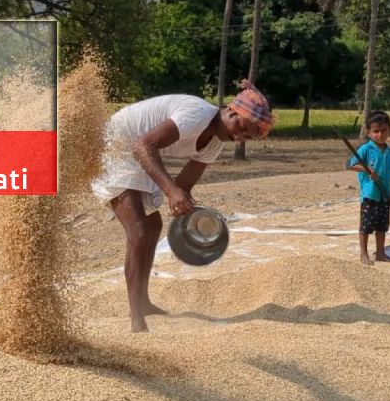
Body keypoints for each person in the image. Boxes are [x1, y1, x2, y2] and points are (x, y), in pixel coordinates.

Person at [91, 80, 276, 332]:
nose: (239, 137)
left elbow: (183, 186)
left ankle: (143, 302)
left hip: (138, 153)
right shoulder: (196, 114)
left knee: (154, 225)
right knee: (139, 230)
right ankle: (136, 319)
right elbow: (144, 145)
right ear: (232, 111)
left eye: (246, 137)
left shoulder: (213, 146)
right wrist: (171, 192)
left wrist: (187, 206)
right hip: (116, 145)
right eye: (241, 128)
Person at [348, 111, 390, 266]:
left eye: (384, 131)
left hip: (385, 195)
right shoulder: (366, 149)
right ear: (369, 132)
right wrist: (367, 169)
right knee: (366, 226)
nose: (380, 135)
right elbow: (352, 164)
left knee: (382, 226)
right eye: (376, 131)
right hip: (370, 195)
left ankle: (381, 253)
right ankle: (364, 254)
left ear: (389, 130)